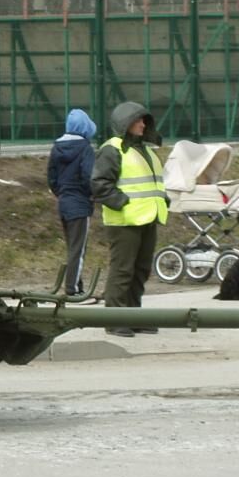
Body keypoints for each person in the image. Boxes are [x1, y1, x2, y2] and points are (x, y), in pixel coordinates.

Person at [90, 100, 168, 335]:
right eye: (138, 120)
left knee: (141, 270)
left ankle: (134, 315)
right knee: (122, 270)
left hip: (147, 218)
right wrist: (121, 202)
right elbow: (99, 184)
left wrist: (163, 200)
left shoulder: (144, 151)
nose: (143, 124)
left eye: (145, 120)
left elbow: (152, 184)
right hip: (125, 221)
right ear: (125, 123)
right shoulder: (113, 149)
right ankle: (115, 319)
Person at [46, 108, 97, 298]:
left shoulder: (56, 147)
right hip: (80, 204)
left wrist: (61, 193)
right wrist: (91, 195)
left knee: (72, 247)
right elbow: (88, 176)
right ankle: (72, 289)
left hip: (64, 203)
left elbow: (51, 178)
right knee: (79, 248)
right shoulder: (85, 148)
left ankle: (77, 284)